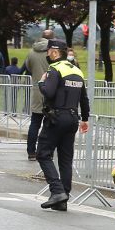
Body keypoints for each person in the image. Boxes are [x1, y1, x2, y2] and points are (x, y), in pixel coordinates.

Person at [35, 40, 91, 211]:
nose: (47, 54)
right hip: (73, 118)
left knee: (43, 154)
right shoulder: (77, 70)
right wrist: (85, 119)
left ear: (55, 52)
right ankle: (63, 199)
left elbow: (49, 92)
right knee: (65, 159)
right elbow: (84, 99)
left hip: (56, 117)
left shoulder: (55, 69)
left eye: (49, 51)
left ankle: (57, 190)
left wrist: (41, 83)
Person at [24, 30, 54, 160]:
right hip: (51, 91)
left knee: (35, 123)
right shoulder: (53, 52)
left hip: (37, 90)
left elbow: (28, 68)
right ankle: (46, 151)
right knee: (50, 123)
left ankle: (31, 151)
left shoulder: (31, 52)